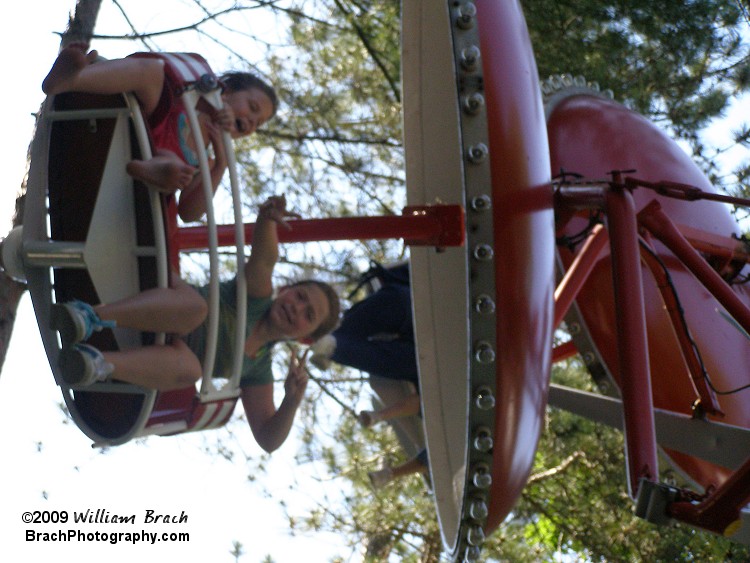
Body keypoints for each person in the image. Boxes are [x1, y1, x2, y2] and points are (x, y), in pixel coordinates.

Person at [50, 195, 340, 453]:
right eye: (300, 296)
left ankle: (97, 363)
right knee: (196, 309)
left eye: (308, 315)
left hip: (161, 352)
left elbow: (268, 439)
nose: (297, 308)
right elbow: (265, 259)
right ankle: (91, 316)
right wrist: (267, 219)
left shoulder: (258, 368)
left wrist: (291, 401)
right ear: (287, 289)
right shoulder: (256, 295)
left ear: (305, 338)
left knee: (192, 370)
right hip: (164, 303)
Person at [42, 44, 278, 222]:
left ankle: (154, 169)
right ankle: (74, 78)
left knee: (177, 169)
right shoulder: (196, 95)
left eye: (257, 123)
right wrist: (214, 103)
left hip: (154, 163)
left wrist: (220, 165)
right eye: (252, 108)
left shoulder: (207, 159)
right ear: (229, 91)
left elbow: (189, 213)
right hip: (151, 121)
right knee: (153, 71)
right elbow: (175, 84)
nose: (250, 121)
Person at [309, 263, 429, 489]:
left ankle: (333, 346)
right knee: (398, 306)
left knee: (407, 359)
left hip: (417, 352)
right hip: (412, 309)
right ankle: (334, 345)